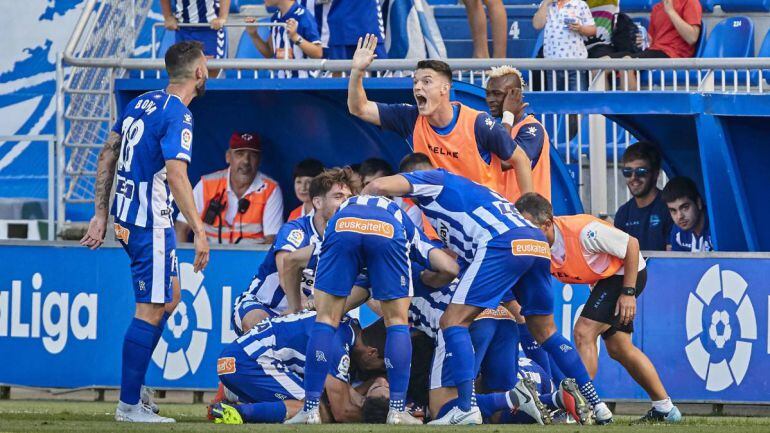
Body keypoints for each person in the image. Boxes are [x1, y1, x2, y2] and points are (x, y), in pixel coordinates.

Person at [362, 161, 604, 425]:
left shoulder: (435, 181)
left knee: (452, 323)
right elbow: (456, 268)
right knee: (546, 332)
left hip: (501, 246)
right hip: (533, 244)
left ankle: (466, 408)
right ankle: (595, 403)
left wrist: (357, 212)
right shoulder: (470, 202)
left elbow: (377, 185)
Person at [79, 41, 210, 423]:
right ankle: (129, 405)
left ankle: (136, 390)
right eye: (206, 65)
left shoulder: (141, 102)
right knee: (151, 309)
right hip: (148, 221)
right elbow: (176, 173)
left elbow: (107, 152)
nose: (208, 71)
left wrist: (100, 214)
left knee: (169, 299)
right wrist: (200, 232)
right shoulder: (179, 116)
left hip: (127, 217)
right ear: (198, 72)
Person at [286, 195, 459, 425]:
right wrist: (422, 280)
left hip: (343, 228)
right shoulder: (399, 218)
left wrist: (295, 307)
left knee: (326, 320)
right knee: (396, 321)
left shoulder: (341, 217)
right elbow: (449, 268)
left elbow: (292, 260)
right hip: (387, 231)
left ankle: (309, 411)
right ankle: (397, 411)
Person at [515, 192, 682, 424]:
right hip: (606, 280)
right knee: (619, 348)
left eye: (528, 227)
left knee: (584, 331)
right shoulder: (535, 245)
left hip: (625, 275)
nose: (523, 234)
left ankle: (580, 406)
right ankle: (666, 409)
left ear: (547, 224)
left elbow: (632, 245)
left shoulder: (584, 230)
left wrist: (628, 293)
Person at [347, 34, 533, 194]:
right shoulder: (410, 118)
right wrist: (357, 71)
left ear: (445, 88)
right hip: (435, 228)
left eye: (426, 82)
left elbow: (521, 159)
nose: (418, 87)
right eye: (415, 82)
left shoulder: (478, 123)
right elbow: (359, 108)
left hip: (480, 223)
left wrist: (529, 212)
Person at [231, 167, 358, 335]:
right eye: (338, 196)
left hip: (310, 312)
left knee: (355, 338)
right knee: (260, 327)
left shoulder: (348, 238)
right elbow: (286, 271)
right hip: (266, 305)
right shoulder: (296, 230)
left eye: (349, 198)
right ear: (318, 202)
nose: (345, 203)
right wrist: (302, 306)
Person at [210, 311, 387, 424]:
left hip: (236, 361)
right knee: (315, 410)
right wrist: (381, 417)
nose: (378, 369)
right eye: (381, 364)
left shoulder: (346, 327)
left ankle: (228, 393)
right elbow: (342, 412)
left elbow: (344, 392)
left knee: (317, 400)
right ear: (371, 352)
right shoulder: (336, 344)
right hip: (250, 362)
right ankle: (237, 412)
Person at [175, 132, 283, 245]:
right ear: (228, 157)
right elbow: (181, 227)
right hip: (209, 257)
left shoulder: (271, 189)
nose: (246, 161)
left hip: (250, 259)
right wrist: (183, 260)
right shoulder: (207, 184)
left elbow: (271, 241)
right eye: (240, 154)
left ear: (259, 160)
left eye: (253, 155)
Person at [485, 66, 551, 202]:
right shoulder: (500, 127)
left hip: (530, 218)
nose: (490, 99)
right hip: (504, 216)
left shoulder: (533, 129)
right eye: (488, 93)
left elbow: (504, 161)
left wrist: (508, 114)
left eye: (497, 94)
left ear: (515, 95)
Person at [608, 0, 702, 89]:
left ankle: (632, 105)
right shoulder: (657, 8)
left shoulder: (690, 2)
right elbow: (652, 43)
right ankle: (600, 106)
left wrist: (671, 11)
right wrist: (644, 40)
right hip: (655, 52)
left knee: (626, 63)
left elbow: (692, 37)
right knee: (602, 64)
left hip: (673, 55)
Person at [613, 141, 673, 251]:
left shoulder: (670, 209)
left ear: (656, 174)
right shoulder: (623, 214)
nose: (633, 178)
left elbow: (672, 260)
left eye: (640, 172)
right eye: (627, 172)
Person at [245, 0, 323, 78]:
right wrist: (254, 34)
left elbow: (318, 53)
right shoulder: (275, 18)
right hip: (280, 82)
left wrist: (295, 37)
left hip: (302, 83)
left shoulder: (303, 15)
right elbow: (269, 52)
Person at [532, 0, 596, 91]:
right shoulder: (546, 4)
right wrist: (546, 3)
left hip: (576, 64)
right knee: (555, 101)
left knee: (578, 101)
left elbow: (593, 30)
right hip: (552, 64)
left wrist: (580, 28)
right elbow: (537, 25)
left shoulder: (580, 4)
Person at [160, 0, 230, 77]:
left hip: (209, 28)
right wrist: (168, 16)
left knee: (211, 69)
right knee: (182, 71)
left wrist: (222, 16)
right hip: (183, 28)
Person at [359, 157, 426, 230]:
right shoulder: (361, 210)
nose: (373, 190)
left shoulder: (410, 208)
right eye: (368, 185)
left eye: (378, 185)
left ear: (390, 181)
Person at [662, 176, 712, 252]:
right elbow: (677, 263)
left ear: (698, 203)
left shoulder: (715, 226)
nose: (679, 216)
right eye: (673, 211)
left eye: (685, 207)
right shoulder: (677, 231)